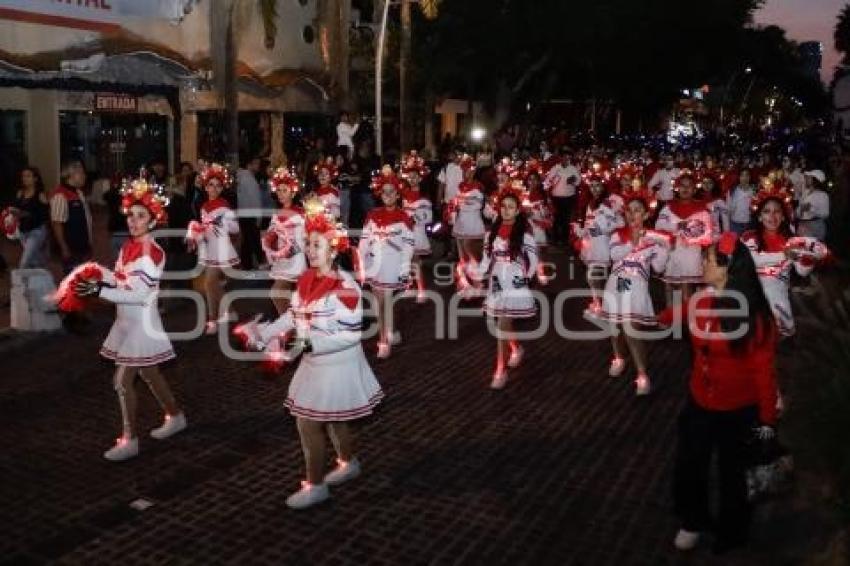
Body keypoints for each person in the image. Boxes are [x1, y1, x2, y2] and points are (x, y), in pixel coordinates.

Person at [242, 210, 383, 510]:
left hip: (336, 364)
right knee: (334, 420)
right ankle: (349, 462)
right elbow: (293, 316)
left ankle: (315, 485)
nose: (309, 250)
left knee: (308, 423)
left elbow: (350, 336)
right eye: (308, 243)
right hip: (315, 361)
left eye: (316, 245)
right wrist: (265, 333)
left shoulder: (346, 287)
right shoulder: (306, 278)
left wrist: (307, 344)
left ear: (333, 249)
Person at [665, 233, 778, 554]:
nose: (702, 263)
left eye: (709, 260)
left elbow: (764, 373)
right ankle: (693, 519)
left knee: (734, 475)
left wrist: (767, 419)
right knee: (689, 465)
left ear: (727, 269)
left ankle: (732, 531)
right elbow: (670, 317)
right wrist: (629, 319)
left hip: (738, 409)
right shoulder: (702, 299)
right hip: (699, 400)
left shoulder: (755, 318)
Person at [70, 175, 186, 461]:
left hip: (141, 325)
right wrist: (97, 273)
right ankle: (176, 415)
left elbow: (136, 294)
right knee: (149, 373)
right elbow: (121, 279)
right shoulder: (128, 246)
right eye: (131, 215)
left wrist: (100, 290)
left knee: (122, 381)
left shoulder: (150, 253)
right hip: (126, 321)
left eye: (141, 216)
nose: (133, 221)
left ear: (153, 220)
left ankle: (130, 439)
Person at [593, 186, 670, 396]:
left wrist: (664, 248)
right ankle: (618, 357)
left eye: (637, 210)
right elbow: (614, 255)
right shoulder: (618, 235)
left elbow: (659, 268)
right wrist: (634, 241)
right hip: (616, 284)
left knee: (632, 331)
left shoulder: (654, 238)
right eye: (629, 210)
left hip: (637, 288)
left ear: (646, 214)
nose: (632, 214)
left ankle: (642, 374)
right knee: (616, 328)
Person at [741, 181, 828, 337]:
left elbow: (802, 272)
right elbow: (743, 264)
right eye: (767, 212)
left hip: (777, 295)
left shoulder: (791, 241)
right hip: (750, 293)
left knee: (778, 305)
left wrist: (805, 259)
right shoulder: (748, 239)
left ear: (783, 216)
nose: (772, 216)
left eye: (777, 212)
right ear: (760, 217)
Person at [471, 187, 538, 389]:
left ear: (518, 210)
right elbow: (487, 259)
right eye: (504, 207)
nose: (507, 210)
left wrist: (525, 277)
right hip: (498, 280)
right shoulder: (491, 233)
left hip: (515, 281)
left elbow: (533, 259)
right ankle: (516, 348)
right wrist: (476, 276)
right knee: (503, 324)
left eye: (511, 207)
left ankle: (500, 369)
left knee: (501, 325)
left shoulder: (525, 233)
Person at [358, 167, 415, 359]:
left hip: (392, 266)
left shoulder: (404, 217)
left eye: (392, 192)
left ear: (398, 194)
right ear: (379, 194)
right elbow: (364, 241)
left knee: (386, 303)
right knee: (379, 304)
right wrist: (361, 262)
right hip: (375, 266)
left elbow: (408, 245)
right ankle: (388, 332)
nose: (388, 195)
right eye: (384, 192)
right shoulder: (372, 215)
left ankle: (383, 341)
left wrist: (405, 266)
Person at [186, 163, 240, 335]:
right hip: (210, 249)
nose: (214, 188)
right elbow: (206, 230)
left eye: (218, 185)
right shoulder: (203, 207)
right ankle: (227, 313)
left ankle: (213, 319)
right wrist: (197, 232)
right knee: (211, 284)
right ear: (205, 186)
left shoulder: (225, 205)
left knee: (210, 284)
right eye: (211, 185)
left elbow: (235, 228)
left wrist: (222, 222)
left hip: (222, 249)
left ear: (222, 188)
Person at [655, 174, 713, 305]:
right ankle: (671, 317)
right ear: (677, 188)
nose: (685, 189)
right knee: (670, 286)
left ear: (694, 189)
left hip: (692, 254)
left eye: (689, 186)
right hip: (673, 252)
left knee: (687, 288)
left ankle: (688, 319)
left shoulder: (702, 208)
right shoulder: (668, 207)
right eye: (682, 186)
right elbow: (659, 226)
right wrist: (677, 227)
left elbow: (708, 232)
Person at [574, 173, 624, 313]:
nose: (595, 189)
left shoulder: (610, 202)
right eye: (592, 186)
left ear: (603, 186)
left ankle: (602, 304)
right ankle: (600, 304)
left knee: (595, 277)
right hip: (591, 244)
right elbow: (589, 224)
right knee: (597, 277)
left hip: (604, 244)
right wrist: (580, 230)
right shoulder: (590, 203)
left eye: (598, 186)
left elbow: (620, 222)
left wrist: (605, 230)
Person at [263, 167, 307, 315]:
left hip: (297, 259)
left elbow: (308, 235)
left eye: (285, 190)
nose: (281, 194)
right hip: (282, 260)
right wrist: (268, 242)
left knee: (290, 295)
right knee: (281, 293)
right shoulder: (276, 214)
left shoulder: (301, 213)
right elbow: (270, 235)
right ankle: (288, 325)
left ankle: (291, 325)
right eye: (279, 190)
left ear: (293, 192)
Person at [400, 151, 433, 303]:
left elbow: (428, 217)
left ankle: (421, 290)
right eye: (410, 177)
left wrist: (413, 219)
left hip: (417, 233)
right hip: (405, 232)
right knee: (406, 261)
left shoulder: (424, 196)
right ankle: (411, 286)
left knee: (415, 261)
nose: (412, 179)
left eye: (415, 177)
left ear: (420, 178)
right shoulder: (404, 194)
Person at [450, 155, 486, 294]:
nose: (467, 173)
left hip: (474, 224)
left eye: (470, 170)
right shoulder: (460, 186)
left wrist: (462, 204)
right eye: (464, 170)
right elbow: (456, 203)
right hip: (460, 224)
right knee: (462, 257)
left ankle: (478, 284)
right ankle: (465, 284)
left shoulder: (479, 187)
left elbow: (476, 205)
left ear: (474, 171)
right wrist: (451, 210)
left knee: (473, 255)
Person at [50, 160, 93, 275]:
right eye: (81, 173)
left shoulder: (78, 192)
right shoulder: (60, 194)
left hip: (81, 246)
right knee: (72, 281)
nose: (85, 176)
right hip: (71, 247)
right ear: (72, 175)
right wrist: (64, 248)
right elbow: (57, 224)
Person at [10, 167, 50, 268]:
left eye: (28, 176)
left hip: (36, 231)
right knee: (34, 260)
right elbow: (15, 210)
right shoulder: (20, 193)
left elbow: (45, 216)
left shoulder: (40, 194)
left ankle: (20, 282)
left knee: (24, 263)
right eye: (23, 176)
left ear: (35, 179)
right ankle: (43, 276)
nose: (24, 178)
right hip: (22, 232)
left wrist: (24, 214)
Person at [522, 169, 554, 283]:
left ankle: (540, 272)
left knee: (538, 251)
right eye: (530, 179)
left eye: (535, 179)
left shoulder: (544, 196)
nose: (532, 182)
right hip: (524, 228)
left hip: (538, 227)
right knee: (524, 254)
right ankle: (526, 275)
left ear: (539, 181)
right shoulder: (522, 193)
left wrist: (535, 214)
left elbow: (548, 213)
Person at [544, 151, 581, 246]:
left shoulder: (573, 168)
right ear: (560, 158)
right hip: (556, 198)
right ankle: (555, 238)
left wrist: (572, 180)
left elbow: (578, 182)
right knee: (556, 218)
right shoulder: (555, 168)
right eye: (563, 157)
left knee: (566, 219)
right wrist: (553, 179)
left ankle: (564, 239)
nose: (565, 160)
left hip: (568, 198)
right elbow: (548, 180)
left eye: (567, 158)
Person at [236, 156, 265, 270]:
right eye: (256, 163)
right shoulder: (249, 179)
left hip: (244, 214)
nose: (258, 166)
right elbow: (255, 199)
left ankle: (247, 265)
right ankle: (258, 263)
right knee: (254, 241)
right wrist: (258, 217)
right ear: (250, 165)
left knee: (247, 241)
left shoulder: (242, 178)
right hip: (250, 215)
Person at [795, 169, 829, 241]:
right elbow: (800, 209)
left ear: (815, 180)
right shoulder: (806, 192)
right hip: (803, 225)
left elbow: (825, 214)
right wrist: (797, 212)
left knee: (814, 250)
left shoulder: (822, 195)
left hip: (815, 226)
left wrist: (810, 209)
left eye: (809, 178)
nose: (806, 179)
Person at [727, 169, 755, 235]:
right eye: (742, 175)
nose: (744, 178)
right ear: (739, 177)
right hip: (735, 224)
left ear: (750, 177)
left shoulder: (753, 191)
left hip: (748, 224)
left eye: (747, 175)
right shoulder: (732, 190)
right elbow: (728, 209)